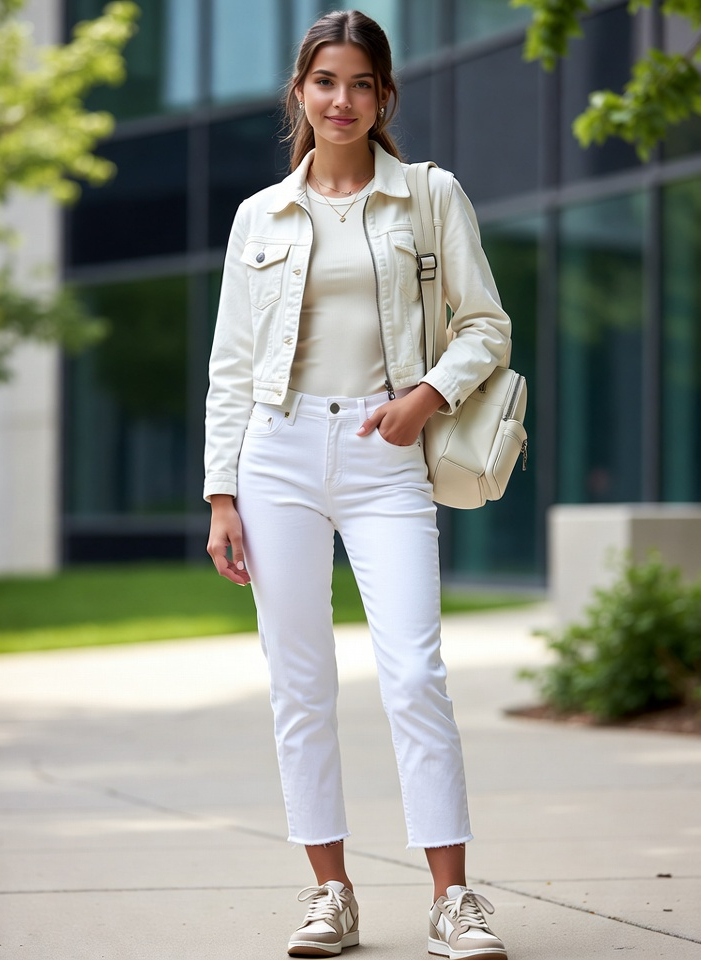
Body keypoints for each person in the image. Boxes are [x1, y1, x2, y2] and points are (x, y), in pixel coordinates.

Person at [204, 10, 512, 959]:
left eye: (362, 84)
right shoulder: (261, 214)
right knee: (300, 683)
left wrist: (427, 395)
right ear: (300, 91)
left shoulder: (427, 196)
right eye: (326, 82)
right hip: (279, 456)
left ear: (384, 97)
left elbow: (486, 325)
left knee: (414, 673)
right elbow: (229, 365)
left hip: (387, 455)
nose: (343, 101)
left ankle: (453, 900)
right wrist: (222, 493)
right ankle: (329, 893)